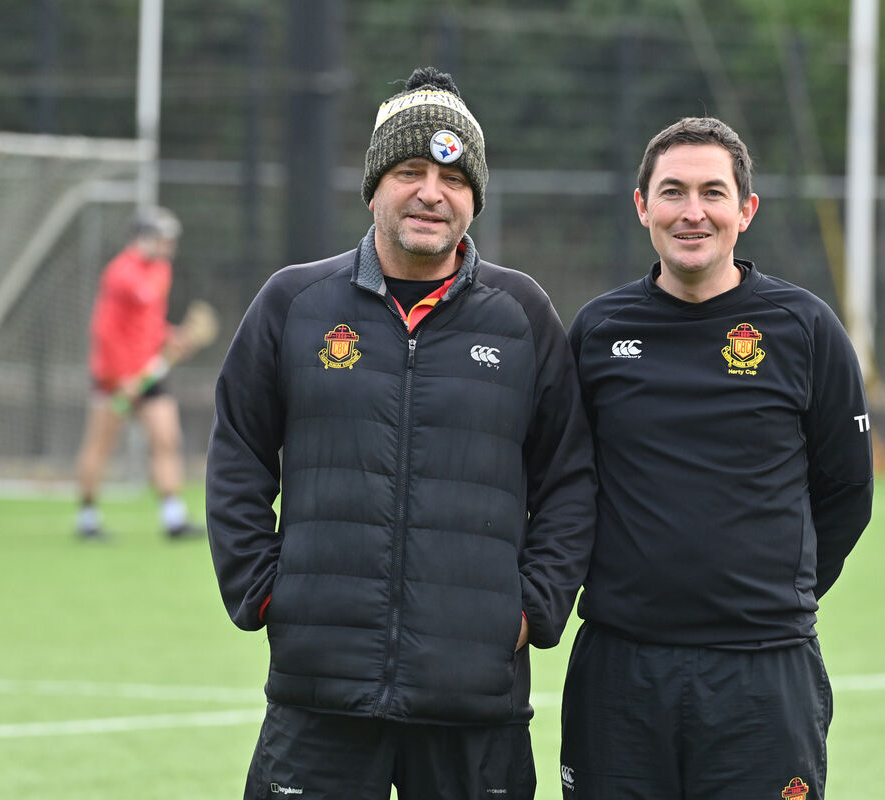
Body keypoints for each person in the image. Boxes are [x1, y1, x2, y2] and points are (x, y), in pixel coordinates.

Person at [205, 66, 596, 800]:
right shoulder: (295, 302)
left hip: (474, 703)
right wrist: (265, 593)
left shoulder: (522, 315)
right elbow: (238, 454)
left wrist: (531, 610)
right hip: (319, 695)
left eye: (453, 177)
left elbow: (569, 478)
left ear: (473, 197)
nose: (431, 193)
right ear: (375, 185)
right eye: (411, 170)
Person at [560, 117, 874, 800]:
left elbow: (848, 490)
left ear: (745, 210)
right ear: (642, 205)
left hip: (762, 672)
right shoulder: (597, 331)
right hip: (621, 667)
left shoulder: (805, 328)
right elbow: (560, 487)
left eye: (712, 192)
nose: (692, 212)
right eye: (672, 192)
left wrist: (767, 598)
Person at [75, 206, 199, 540]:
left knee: (166, 438)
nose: (168, 245)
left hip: (151, 374)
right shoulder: (119, 273)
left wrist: (172, 336)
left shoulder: (161, 270)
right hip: (114, 378)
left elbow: (148, 323)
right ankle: (87, 519)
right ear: (143, 237)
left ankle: (173, 518)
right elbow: (105, 330)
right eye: (163, 238)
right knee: (100, 444)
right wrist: (121, 378)